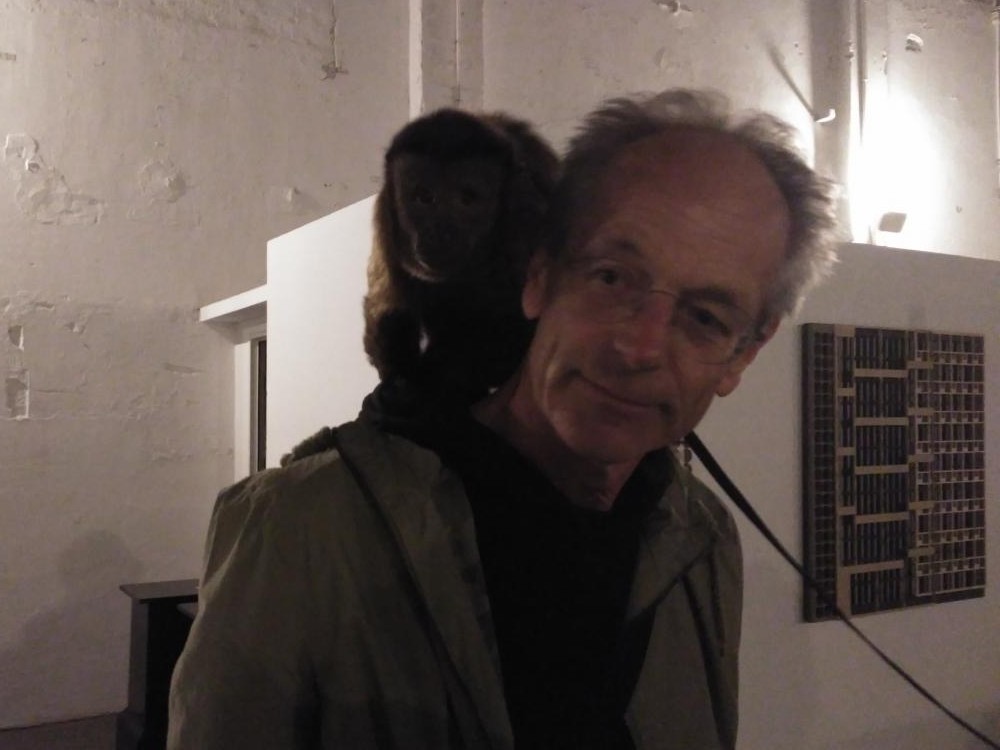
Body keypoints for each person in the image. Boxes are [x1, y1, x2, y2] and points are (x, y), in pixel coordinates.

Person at [168, 89, 839, 750]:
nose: (639, 348)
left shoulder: (701, 540)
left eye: (705, 318)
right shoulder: (301, 531)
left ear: (742, 354)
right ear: (538, 275)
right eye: (611, 277)